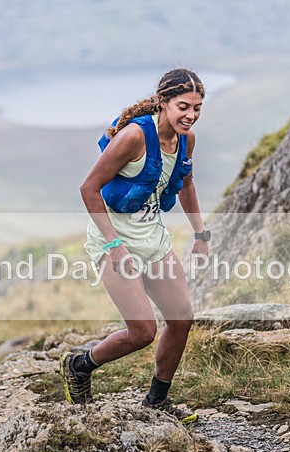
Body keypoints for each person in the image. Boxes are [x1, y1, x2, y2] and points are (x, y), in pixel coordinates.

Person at [61, 68, 211, 425]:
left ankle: (157, 401)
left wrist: (201, 235)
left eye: (198, 108)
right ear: (163, 103)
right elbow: (88, 188)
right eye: (183, 106)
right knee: (143, 331)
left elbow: (185, 185)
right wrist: (114, 247)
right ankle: (80, 366)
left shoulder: (185, 140)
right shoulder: (133, 137)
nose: (190, 115)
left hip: (152, 239)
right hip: (113, 238)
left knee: (181, 319)